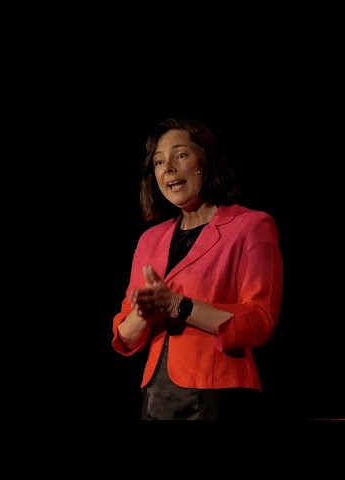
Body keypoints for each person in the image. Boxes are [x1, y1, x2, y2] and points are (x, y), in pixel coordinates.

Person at [111, 118, 283, 420]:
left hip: (219, 392)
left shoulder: (252, 226)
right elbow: (125, 336)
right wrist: (143, 314)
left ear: (206, 161)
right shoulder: (150, 239)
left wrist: (178, 305)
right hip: (157, 396)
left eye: (180, 155)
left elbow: (260, 321)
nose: (168, 168)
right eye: (159, 162)